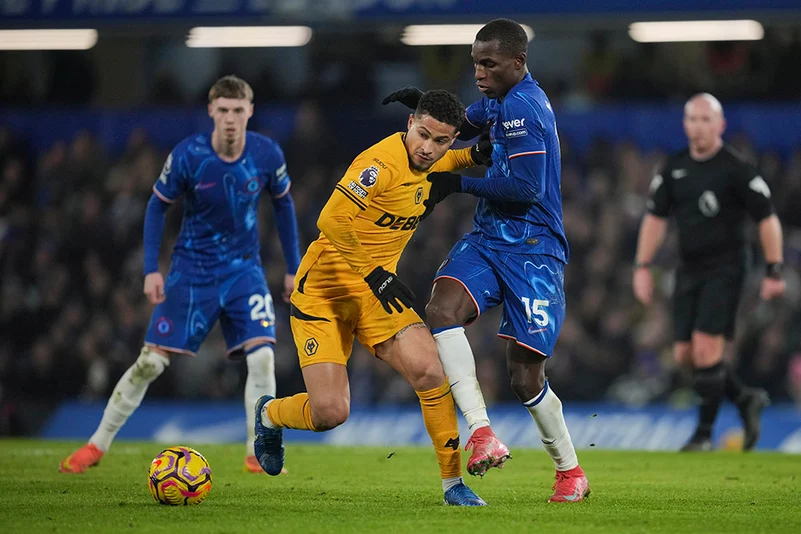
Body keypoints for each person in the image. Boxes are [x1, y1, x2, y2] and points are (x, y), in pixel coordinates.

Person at [382, 19, 589, 502]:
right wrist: (426, 112)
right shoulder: (498, 98)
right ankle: (481, 432)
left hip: (535, 251)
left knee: (524, 377)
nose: (479, 71)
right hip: (488, 239)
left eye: (489, 63)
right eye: (476, 62)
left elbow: (526, 189)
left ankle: (569, 471)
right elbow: (462, 125)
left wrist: (458, 183)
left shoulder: (525, 108)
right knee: (440, 309)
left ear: (518, 63)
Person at [253, 90, 490, 506]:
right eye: (423, 135)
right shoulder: (378, 164)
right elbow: (330, 218)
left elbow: (464, 158)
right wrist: (375, 273)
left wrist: (483, 147)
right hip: (325, 293)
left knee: (430, 372)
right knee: (331, 413)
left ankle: (453, 484)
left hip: (376, 294)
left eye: (441, 141)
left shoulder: (434, 158)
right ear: (409, 124)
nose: (429, 148)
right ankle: (269, 414)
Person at [59, 75, 301, 474]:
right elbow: (157, 207)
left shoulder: (267, 153)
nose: (230, 119)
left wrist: (293, 267)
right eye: (222, 110)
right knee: (151, 363)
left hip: (245, 271)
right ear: (211, 111)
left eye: (238, 111)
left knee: (262, 360)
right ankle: (96, 446)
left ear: (250, 112)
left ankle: (255, 452)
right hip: (192, 273)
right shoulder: (189, 155)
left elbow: (284, 206)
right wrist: (151, 270)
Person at [633, 93, 785, 451]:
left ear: (720, 125)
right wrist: (642, 266)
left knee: (705, 349)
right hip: (688, 268)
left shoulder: (736, 168)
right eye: (692, 120)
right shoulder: (674, 167)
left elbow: (767, 218)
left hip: (728, 267)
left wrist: (774, 269)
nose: (698, 127)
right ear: (684, 124)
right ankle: (745, 398)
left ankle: (703, 434)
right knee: (685, 355)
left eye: (706, 120)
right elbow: (655, 218)